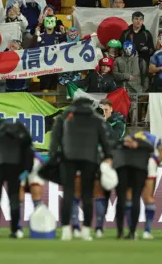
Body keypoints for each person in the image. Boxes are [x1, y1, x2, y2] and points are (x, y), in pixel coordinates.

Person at [48, 98, 112, 241]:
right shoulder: (96, 119)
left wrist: (53, 157)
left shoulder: (64, 117)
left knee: (69, 194)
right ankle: (86, 231)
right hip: (89, 159)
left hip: (68, 158)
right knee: (87, 195)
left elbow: (55, 139)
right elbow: (105, 141)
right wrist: (108, 156)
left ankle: (65, 230)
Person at [0, 120, 33, 238]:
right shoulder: (19, 137)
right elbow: (28, 151)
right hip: (14, 166)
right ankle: (14, 231)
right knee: (14, 199)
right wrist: (26, 169)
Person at [112, 132, 156, 239]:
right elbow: (151, 148)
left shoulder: (124, 142)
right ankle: (131, 232)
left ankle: (120, 232)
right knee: (134, 198)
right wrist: (132, 144)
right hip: (138, 168)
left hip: (123, 167)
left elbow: (111, 146)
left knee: (122, 198)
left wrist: (132, 144)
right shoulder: (137, 143)